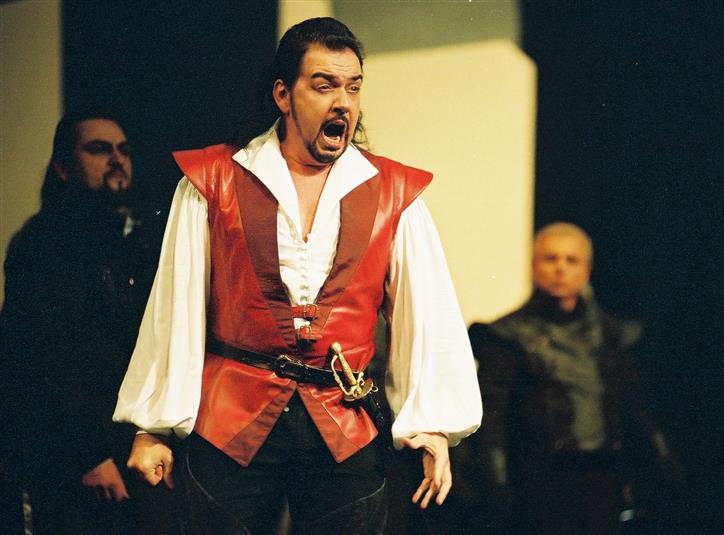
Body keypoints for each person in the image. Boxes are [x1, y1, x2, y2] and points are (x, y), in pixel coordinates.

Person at [113, 17, 482, 533]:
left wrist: (434, 428)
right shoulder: (213, 181)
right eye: (324, 85)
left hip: (343, 423)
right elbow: (176, 307)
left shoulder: (394, 193)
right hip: (231, 420)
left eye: (353, 87)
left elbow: (427, 315)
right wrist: (152, 426)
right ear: (283, 95)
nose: (343, 102)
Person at [0, 111, 167, 533]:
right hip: (72, 457)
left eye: (123, 150)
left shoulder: (135, 239)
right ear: (63, 167)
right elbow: (43, 358)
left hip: (128, 443)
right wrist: (88, 456)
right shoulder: (43, 244)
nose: (117, 159)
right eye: (98, 149)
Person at [468, 222, 676, 534]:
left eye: (571, 260)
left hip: (602, 479)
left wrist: (661, 454)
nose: (560, 268)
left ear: (587, 269)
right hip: (538, 482)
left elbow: (633, 405)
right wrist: (496, 484)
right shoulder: (508, 336)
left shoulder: (611, 334)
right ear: (534, 265)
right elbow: (491, 418)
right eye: (550, 258)